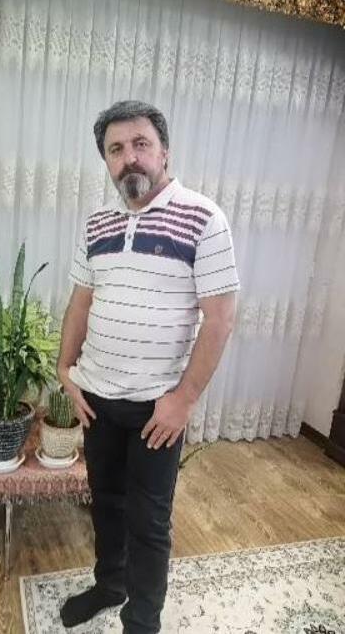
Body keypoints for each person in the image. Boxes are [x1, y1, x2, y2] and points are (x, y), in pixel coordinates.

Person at [57, 100, 239, 633]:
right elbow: (81, 302)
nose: (129, 157)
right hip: (97, 399)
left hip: (157, 409)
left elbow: (221, 318)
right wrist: (65, 371)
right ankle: (110, 585)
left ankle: (142, 621)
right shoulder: (97, 223)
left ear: (164, 152)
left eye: (141, 144)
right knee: (105, 504)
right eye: (116, 149)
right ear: (107, 161)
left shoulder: (203, 218)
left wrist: (183, 401)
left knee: (149, 520)